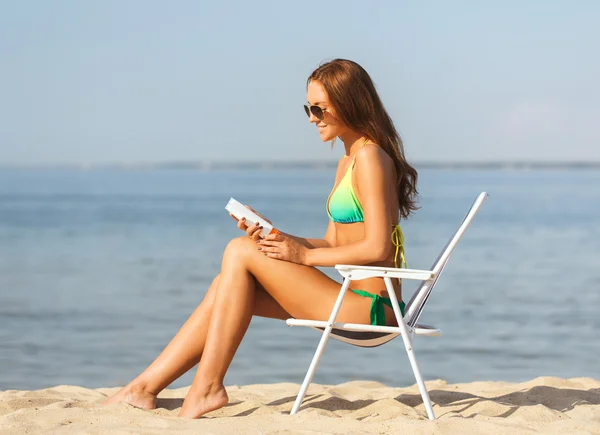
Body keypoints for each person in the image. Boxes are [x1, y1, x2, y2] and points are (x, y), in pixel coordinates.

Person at [102, 58, 419, 418]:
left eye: (320, 108)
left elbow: (378, 248)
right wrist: (279, 238)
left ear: (350, 103)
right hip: (351, 298)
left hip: (372, 307)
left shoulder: (371, 157)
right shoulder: (348, 160)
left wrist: (301, 257)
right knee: (229, 282)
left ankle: (205, 388)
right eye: (308, 108)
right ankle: (143, 389)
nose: (312, 117)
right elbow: (333, 242)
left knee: (240, 250)